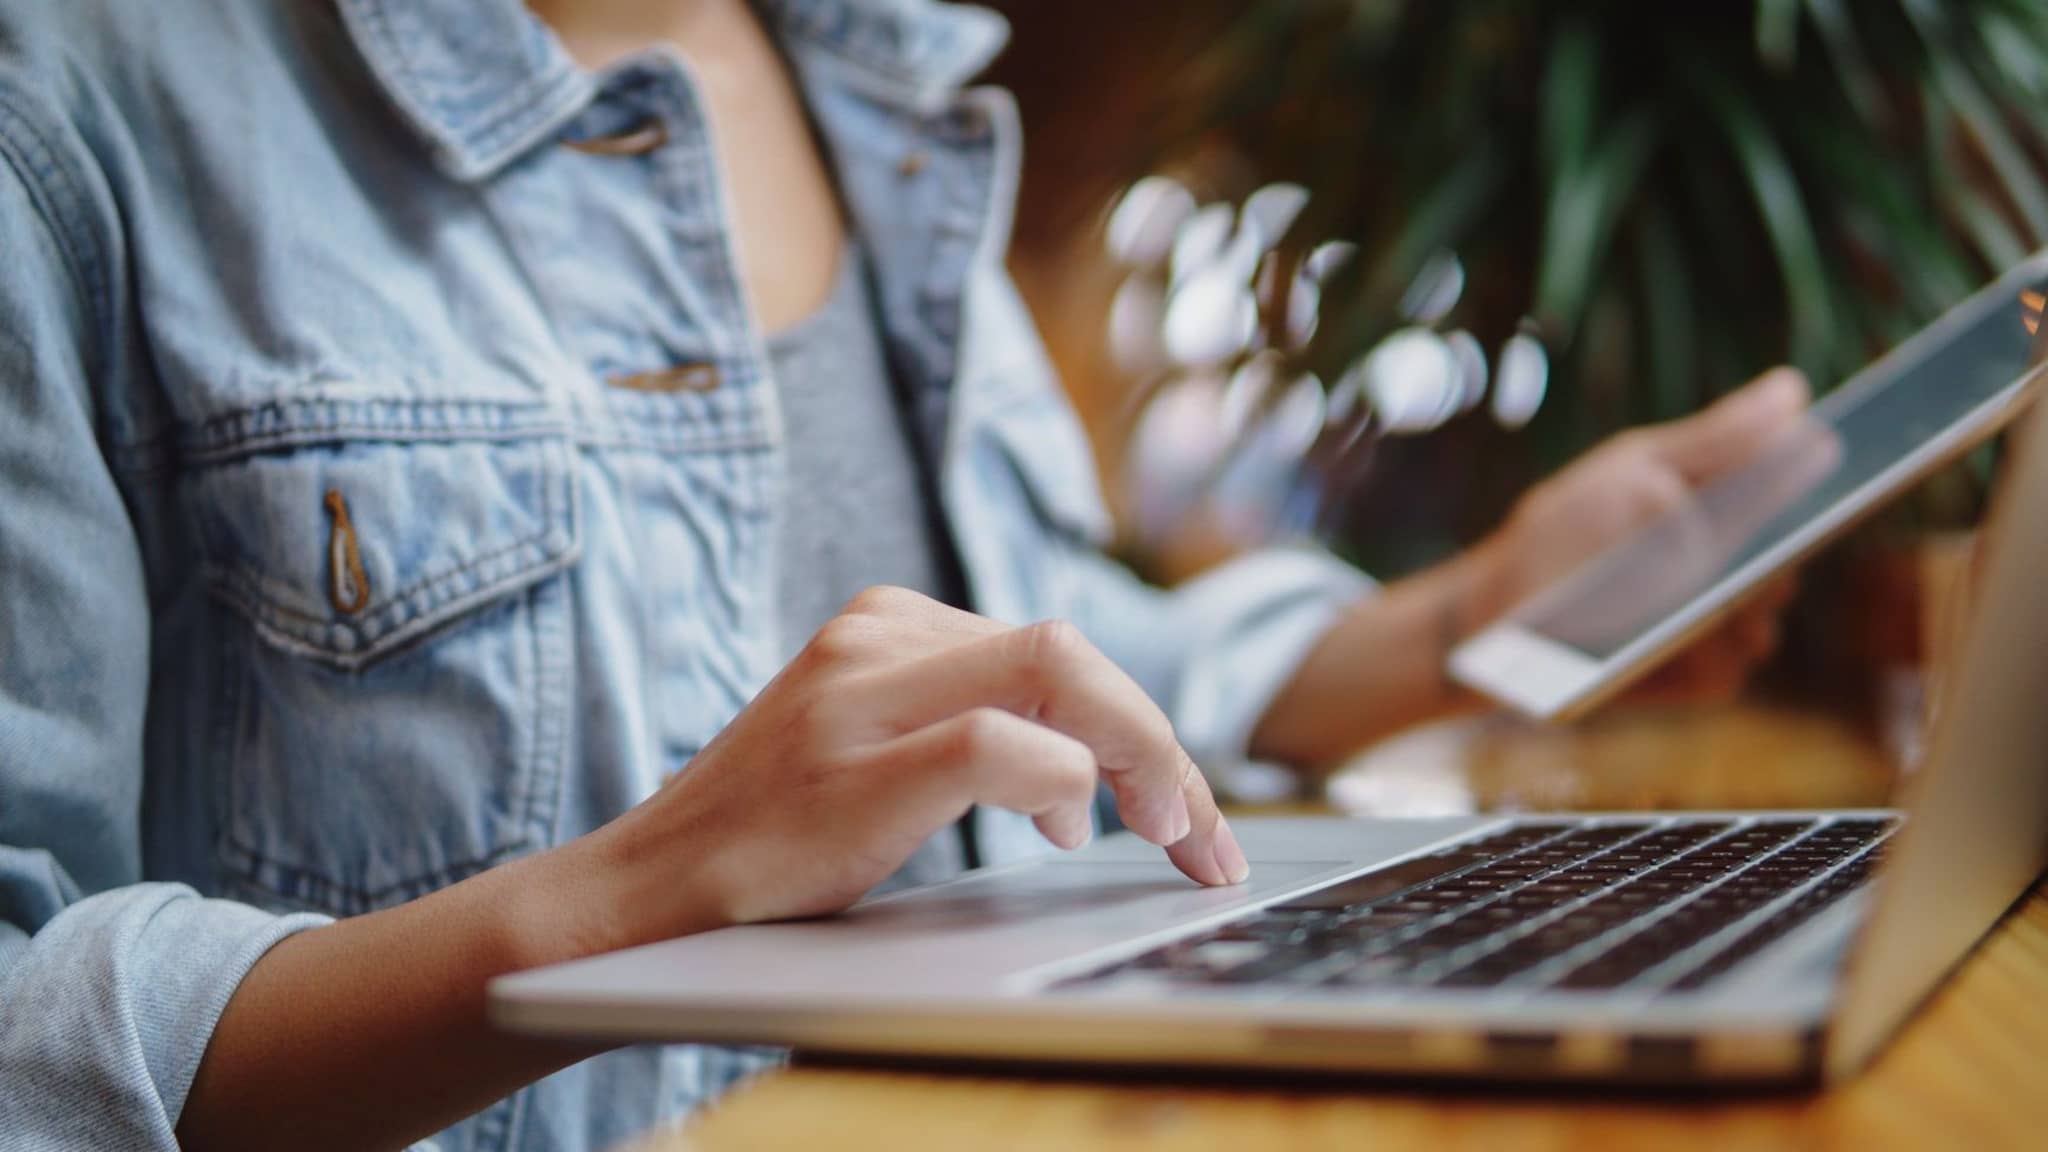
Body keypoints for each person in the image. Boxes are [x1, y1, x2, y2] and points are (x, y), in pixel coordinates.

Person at [0, 0, 1802, 1148]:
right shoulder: (79, 101)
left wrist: (1486, 612)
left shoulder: (878, 84)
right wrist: (632, 904)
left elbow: (1050, 665)